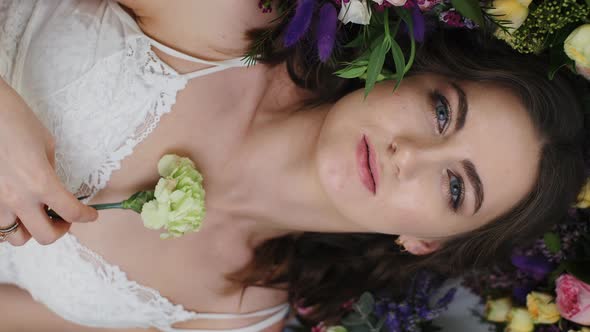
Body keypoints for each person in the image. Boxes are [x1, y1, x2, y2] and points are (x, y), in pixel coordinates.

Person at [0, 0, 586, 331]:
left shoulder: (234, 320)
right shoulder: (229, 23)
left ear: (426, 241)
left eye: (455, 187)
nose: (408, 155)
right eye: (440, 112)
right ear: (411, 69)